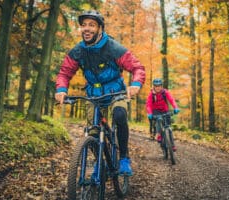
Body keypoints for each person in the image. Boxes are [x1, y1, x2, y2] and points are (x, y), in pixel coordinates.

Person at [55, 10, 145, 176]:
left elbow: (137, 67)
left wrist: (135, 84)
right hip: (93, 95)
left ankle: (124, 158)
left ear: (100, 29)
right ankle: (100, 162)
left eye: (91, 25)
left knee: (119, 114)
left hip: (115, 91)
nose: (86, 29)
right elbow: (64, 73)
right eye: (83, 25)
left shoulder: (112, 47)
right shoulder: (78, 51)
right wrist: (61, 90)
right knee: (93, 133)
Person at [146, 78, 179, 151]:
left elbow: (171, 99)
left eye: (159, 86)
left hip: (165, 110)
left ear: (161, 86)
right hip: (156, 111)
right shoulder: (151, 94)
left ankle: (172, 145)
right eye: (156, 86)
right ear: (154, 87)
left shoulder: (165, 92)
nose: (157, 87)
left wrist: (175, 107)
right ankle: (159, 134)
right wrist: (150, 113)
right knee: (159, 119)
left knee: (168, 128)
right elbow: (148, 104)